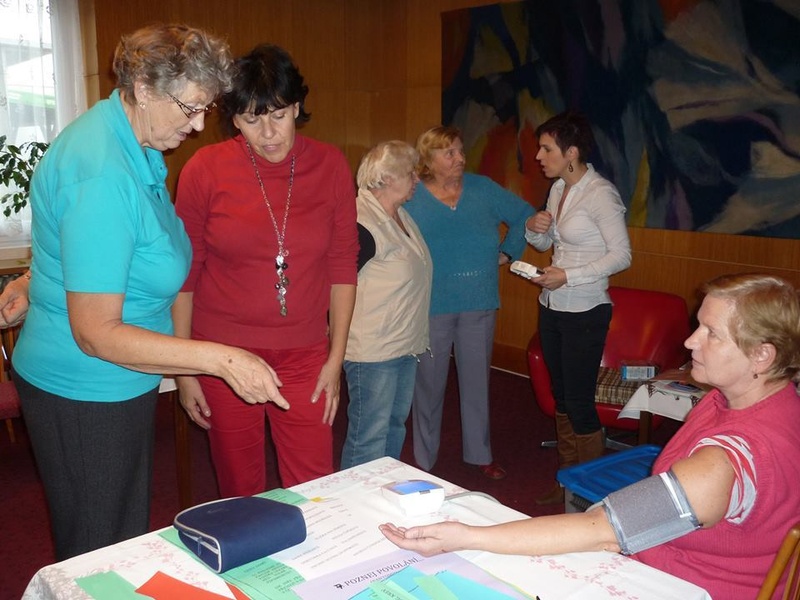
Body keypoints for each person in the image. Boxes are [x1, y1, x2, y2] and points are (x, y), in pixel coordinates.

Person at [0, 24, 290, 561]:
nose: (198, 125)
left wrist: (34, 279)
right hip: (84, 388)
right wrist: (220, 359)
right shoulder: (102, 171)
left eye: (206, 108)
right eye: (190, 108)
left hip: (117, 382)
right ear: (144, 88)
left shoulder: (134, 142)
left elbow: (99, 250)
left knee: (119, 536)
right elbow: (96, 334)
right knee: (97, 553)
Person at [381, 273, 800, 599]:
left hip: (686, 586)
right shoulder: (775, 401)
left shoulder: (721, 464)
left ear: (762, 355)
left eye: (711, 333)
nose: (691, 340)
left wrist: (466, 535)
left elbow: (603, 529)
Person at [173, 44, 358, 497]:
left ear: (296, 107)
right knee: (241, 487)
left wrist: (335, 359)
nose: (269, 133)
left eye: (278, 115)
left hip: (305, 354)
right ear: (233, 119)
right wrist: (185, 370)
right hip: (224, 353)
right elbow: (185, 275)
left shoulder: (330, 165)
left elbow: (342, 267)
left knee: (315, 485)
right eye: (251, 119)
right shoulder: (204, 170)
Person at [404, 126, 534, 480]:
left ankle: (480, 453)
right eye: (449, 153)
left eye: (461, 151)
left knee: (477, 382)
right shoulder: (412, 195)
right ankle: (424, 459)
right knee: (428, 385)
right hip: (431, 303)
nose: (460, 158)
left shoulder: (482, 189)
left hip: (478, 300)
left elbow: (524, 215)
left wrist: (508, 252)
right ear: (429, 158)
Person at [524, 110, 631, 505]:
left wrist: (568, 277)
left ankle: (593, 494)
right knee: (562, 397)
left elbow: (622, 256)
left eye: (546, 149)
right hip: (552, 304)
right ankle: (568, 481)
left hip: (586, 309)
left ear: (571, 152)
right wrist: (534, 229)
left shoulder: (601, 194)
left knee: (580, 401)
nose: (539, 156)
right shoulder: (559, 188)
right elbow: (549, 244)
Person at [340, 141, 432, 469]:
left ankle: (383, 487)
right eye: (410, 173)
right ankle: (353, 495)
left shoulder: (400, 216)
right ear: (387, 177)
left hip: (403, 344)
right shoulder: (361, 222)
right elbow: (334, 287)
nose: (417, 179)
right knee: (369, 434)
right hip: (373, 351)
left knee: (394, 426)